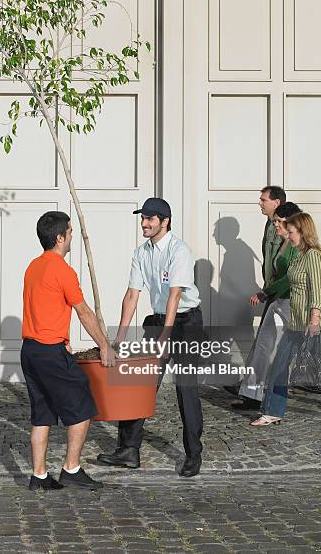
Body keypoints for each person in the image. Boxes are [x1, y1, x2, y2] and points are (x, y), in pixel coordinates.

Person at [97, 198, 205, 478]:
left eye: (149, 219)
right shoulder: (141, 252)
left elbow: (175, 295)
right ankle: (128, 450)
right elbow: (132, 294)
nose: (144, 223)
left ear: (164, 221)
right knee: (139, 385)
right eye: (142, 218)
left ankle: (193, 454)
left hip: (186, 322)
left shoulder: (180, 251)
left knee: (186, 389)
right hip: (158, 321)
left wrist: (166, 338)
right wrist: (118, 339)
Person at [21, 211, 117, 491]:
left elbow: (40, 306)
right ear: (60, 237)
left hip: (30, 351)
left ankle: (39, 475)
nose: (72, 236)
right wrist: (104, 344)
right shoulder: (61, 269)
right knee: (82, 406)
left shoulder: (33, 266)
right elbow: (84, 312)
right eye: (70, 232)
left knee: (42, 414)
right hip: (51, 353)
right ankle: (71, 468)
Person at [251, 213, 321, 428]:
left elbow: (318, 291)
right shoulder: (299, 256)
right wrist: (266, 292)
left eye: (291, 232)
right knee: (279, 367)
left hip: (309, 326)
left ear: (303, 232)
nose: (288, 236)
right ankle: (272, 411)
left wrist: (318, 321)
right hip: (295, 323)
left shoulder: (313, 256)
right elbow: (291, 284)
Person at [232, 202, 302, 409]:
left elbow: (290, 278)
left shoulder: (298, 246)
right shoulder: (283, 242)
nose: (276, 226)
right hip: (278, 302)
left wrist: (265, 292)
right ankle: (251, 395)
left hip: (293, 303)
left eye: (279, 222)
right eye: (275, 222)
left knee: (313, 351)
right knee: (263, 347)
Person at [225, 186, 286, 400]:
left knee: (303, 344)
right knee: (264, 342)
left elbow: (288, 266)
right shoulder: (270, 224)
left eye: (263, 199)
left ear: (276, 202)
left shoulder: (286, 225)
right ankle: (252, 391)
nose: (259, 203)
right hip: (274, 293)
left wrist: (267, 291)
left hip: (284, 295)